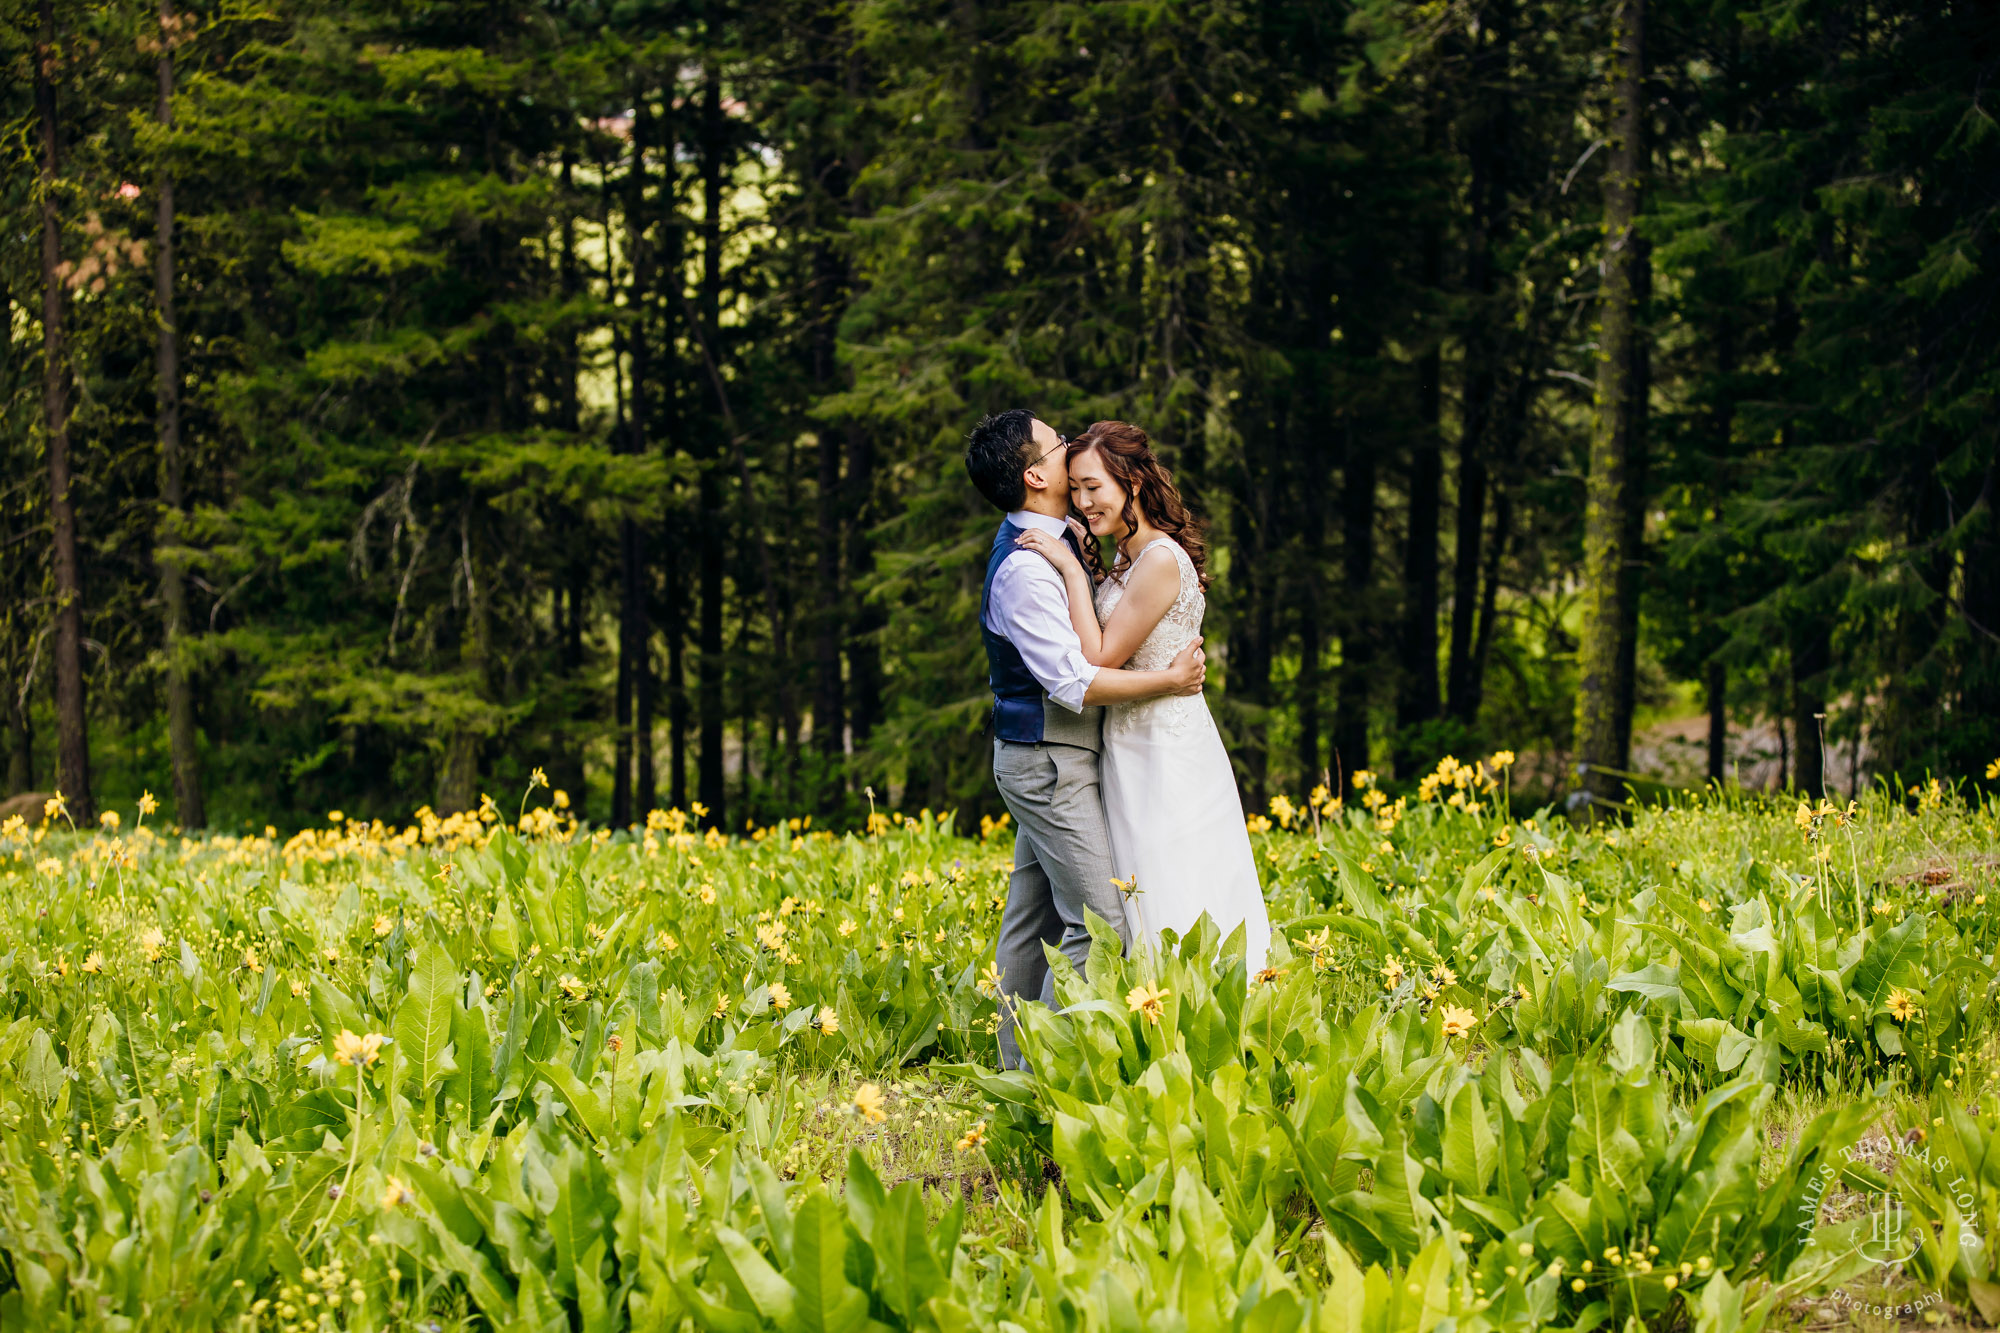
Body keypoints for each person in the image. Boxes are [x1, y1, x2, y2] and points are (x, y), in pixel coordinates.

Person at [963, 409, 1209, 1069]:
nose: (1068, 446)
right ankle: (1052, 1068)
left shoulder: (1058, 535)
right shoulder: (1024, 568)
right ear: (1035, 472)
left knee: (1031, 916)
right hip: (1049, 761)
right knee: (1100, 922)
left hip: (1055, 756)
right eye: (1057, 442)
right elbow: (1074, 681)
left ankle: (1015, 1063)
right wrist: (1167, 680)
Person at [1013, 420, 1270, 976]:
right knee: (1138, 884)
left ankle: (1205, 1010)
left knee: (1174, 876)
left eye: (1093, 487)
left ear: (1130, 481)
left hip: (1165, 747)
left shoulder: (1157, 559)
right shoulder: (1128, 557)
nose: (1081, 502)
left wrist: (1073, 575)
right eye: (1075, 489)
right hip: (1126, 743)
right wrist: (1087, 561)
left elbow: (1099, 658)